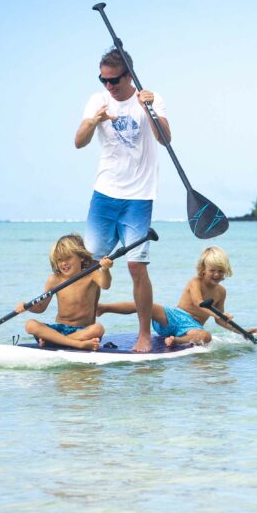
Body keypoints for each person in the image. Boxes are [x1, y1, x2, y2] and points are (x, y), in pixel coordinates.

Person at [74, 46, 169, 353]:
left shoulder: (149, 98)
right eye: (103, 80)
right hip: (105, 194)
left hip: (139, 197)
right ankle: (85, 331)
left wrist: (150, 110)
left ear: (128, 75)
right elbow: (79, 142)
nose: (109, 86)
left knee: (136, 267)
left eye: (114, 80)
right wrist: (94, 121)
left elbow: (165, 139)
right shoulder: (97, 100)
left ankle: (143, 336)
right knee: (89, 266)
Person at [98, 246, 257, 347]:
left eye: (220, 271)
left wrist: (241, 332)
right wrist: (219, 314)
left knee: (206, 336)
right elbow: (198, 303)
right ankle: (105, 308)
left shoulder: (221, 291)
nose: (216, 274)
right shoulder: (195, 281)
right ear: (203, 269)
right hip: (174, 317)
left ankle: (176, 340)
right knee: (146, 305)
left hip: (191, 328)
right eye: (212, 270)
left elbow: (219, 320)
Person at [16, 234, 113, 350]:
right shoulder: (54, 279)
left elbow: (105, 285)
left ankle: (54, 341)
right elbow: (41, 307)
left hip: (83, 331)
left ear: (81, 257)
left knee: (98, 329)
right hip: (59, 329)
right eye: (59, 260)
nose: (63, 263)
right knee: (30, 325)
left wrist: (105, 270)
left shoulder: (91, 274)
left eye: (68, 258)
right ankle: (76, 344)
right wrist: (27, 306)